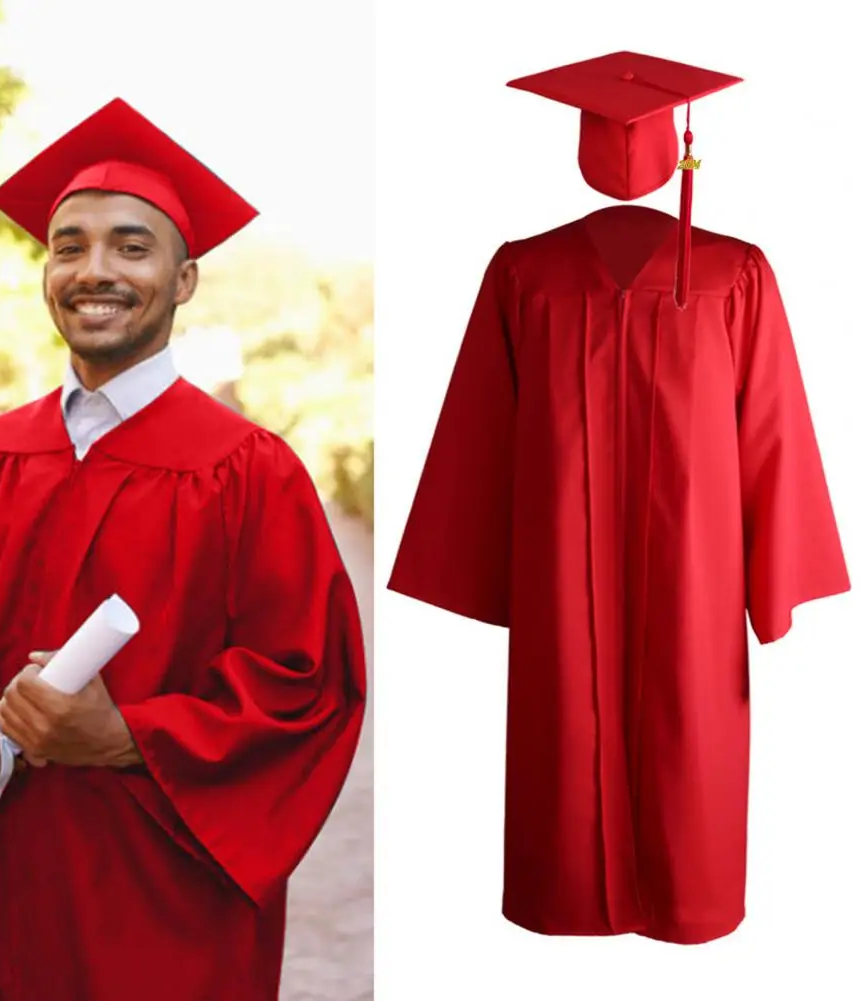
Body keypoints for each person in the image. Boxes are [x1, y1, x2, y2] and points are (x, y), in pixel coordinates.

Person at [0, 97, 367, 1000]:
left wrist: (126, 735)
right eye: (69, 245)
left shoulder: (250, 471)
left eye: (133, 247)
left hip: (163, 907)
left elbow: (306, 686)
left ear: (183, 280)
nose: (95, 269)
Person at [388, 52, 849, 945]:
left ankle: (655, 897)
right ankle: (604, 895)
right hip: (684, 574)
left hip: (635, 577)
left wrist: (499, 577)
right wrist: (770, 589)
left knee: (664, 722)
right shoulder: (538, 273)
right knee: (627, 720)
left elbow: (483, 447)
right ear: (676, 143)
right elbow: (773, 443)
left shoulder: (702, 273)